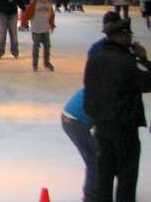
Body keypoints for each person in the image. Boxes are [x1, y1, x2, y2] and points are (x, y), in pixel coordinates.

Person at [84, 16, 151, 202]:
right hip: (124, 128)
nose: (131, 39)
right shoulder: (126, 62)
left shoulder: (96, 58)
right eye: (128, 35)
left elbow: (88, 89)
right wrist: (145, 60)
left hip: (101, 127)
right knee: (127, 176)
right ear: (120, 37)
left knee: (105, 175)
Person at [62, 87, 97, 202]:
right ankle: (90, 198)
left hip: (72, 119)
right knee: (95, 161)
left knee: (96, 157)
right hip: (74, 122)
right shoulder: (107, 86)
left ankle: (95, 194)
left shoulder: (99, 79)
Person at [23, 0, 55, 72]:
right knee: (36, 47)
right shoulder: (34, 4)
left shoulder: (48, 4)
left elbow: (51, 16)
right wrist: (24, 24)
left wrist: (52, 25)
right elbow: (26, 14)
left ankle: (46, 62)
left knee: (47, 46)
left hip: (45, 29)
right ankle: (35, 64)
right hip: (36, 30)